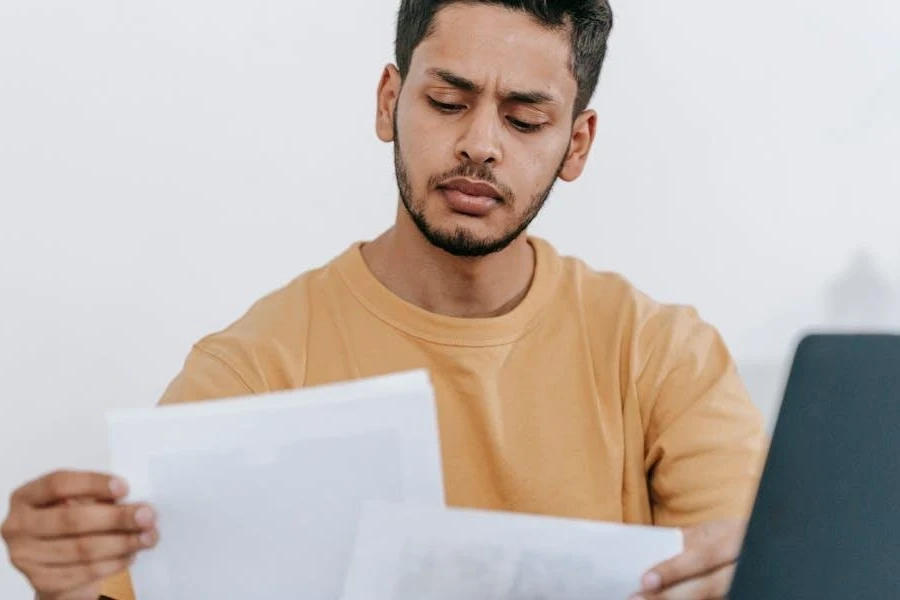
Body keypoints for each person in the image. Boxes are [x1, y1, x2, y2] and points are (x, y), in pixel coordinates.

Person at [1, 1, 768, 599]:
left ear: (576, 145)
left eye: (525, 117)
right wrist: (60, 588)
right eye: (446, 101)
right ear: (388, 102)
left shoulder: (664, 356)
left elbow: (760, 570)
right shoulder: (254, 369)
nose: (481, 144)